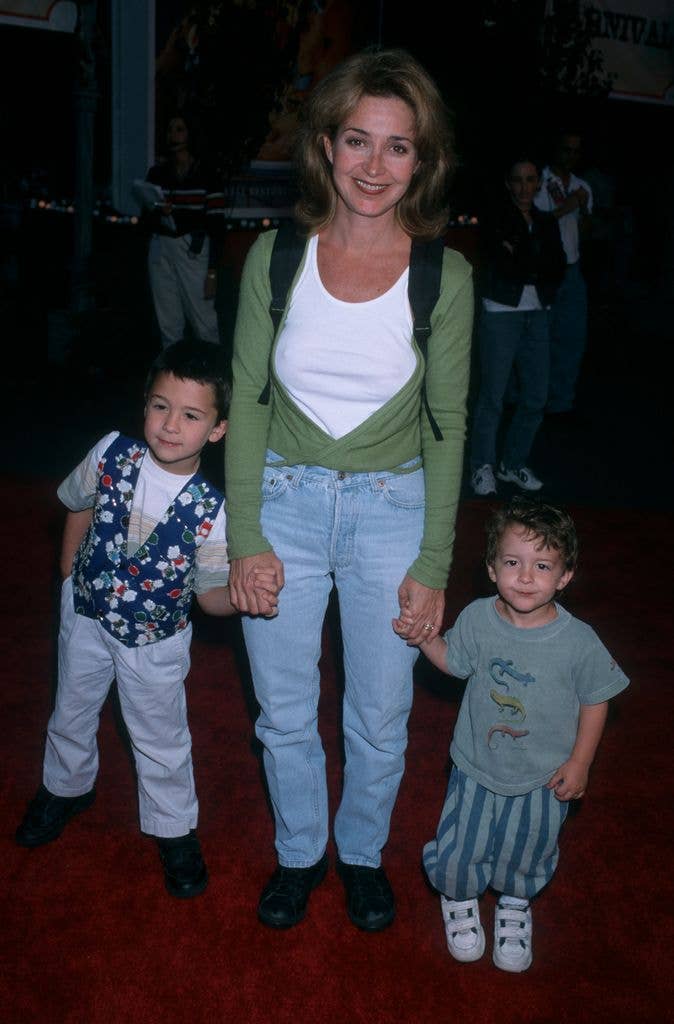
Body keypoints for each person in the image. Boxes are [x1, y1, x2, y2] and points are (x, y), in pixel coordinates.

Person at [224, 47, 474, 932]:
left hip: (393, 512)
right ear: (326, 145)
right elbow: (247, 405)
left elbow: (448, 432)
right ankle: (302, 852)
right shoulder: (273, 259)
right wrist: (245, 535)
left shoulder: (446, 275)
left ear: (424, 160)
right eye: (359, 141)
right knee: (283, 712)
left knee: (380, 713)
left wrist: (435, 561)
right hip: (281, 504)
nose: (375, 167)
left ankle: (361, 852)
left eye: (398, 147)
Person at [15, 340, 277, 898]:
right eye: (160, 406)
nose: (169, 425)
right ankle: (64, 787)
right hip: (84, 612)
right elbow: (77, 504)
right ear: (144, 404)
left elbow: (209, 599)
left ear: (218, 429)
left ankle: (173, 827)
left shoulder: (214, 510)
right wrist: (68, 576)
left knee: (160, 738)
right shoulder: (111, 452)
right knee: (71, 707)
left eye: (190, 414)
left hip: (153, 642)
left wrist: (245, 596)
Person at [393, 496, 629, 971]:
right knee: (463, 843)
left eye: (542, 565)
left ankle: (515, 903)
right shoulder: (480, 618)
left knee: (530, 848)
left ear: (565, 576)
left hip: (545, 774)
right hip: (477, 765)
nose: (525, 577)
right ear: (490, 567)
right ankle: (457, 896)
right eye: (512, 562)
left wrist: (580, 762)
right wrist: (426, 641)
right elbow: (455, 664)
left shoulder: (579, 640)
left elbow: (596, 699)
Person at [469, 152, 565, 497]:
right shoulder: (496, 218)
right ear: (509, 184)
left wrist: (522, 253)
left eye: (530, 179)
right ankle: (483, 466)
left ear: (538, 182)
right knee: (492, 396)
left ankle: (513, 463)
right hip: (501, 311)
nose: (525, 187)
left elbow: (557, 265)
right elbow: (504, 263)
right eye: (518, 180)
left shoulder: (545, 221)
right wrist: (530, 259)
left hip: (538, 310)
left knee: (537, 396)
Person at [143, 114, 221, 348]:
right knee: (168, 322)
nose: (173, 135)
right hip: (161, 246)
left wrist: (212, 273)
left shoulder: (207, 174)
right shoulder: (158, 174)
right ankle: (172, 379)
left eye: (179, 129)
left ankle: (214, 378)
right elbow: (146, 218)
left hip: (192, 250)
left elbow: (217, 226)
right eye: (170, 130)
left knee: (203, 320)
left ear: (190, 134)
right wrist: (160, 212)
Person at [533, 131, 593, 417]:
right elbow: (540, 222)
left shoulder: (582, 186)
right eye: (566, 150)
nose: (570, 156)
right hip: (542, 270)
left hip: (572, 268)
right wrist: (570, 205)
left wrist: (583, 212)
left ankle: (561, 402)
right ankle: (532, 399)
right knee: (539, 337)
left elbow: (584, 228)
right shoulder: (539, 181)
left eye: (576, 151)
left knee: (571, 337)